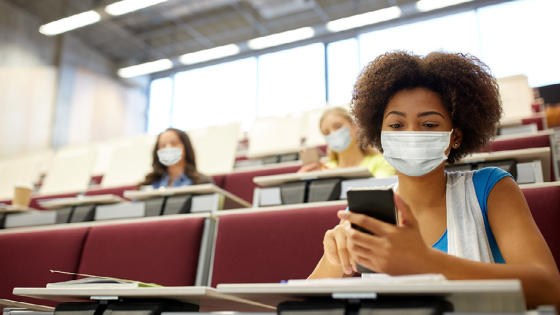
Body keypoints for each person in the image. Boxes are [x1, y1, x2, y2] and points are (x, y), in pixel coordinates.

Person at [308, 51, 560, 308]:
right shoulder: (366, 212)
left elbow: (551, 291)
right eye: (396, 125)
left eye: (429, 125)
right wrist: (334, 259)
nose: (412, 134)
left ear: (455, 137)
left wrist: (425, 261)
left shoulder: (491, 188)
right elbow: (301, 305)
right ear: (380, 134)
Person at [298, 107, 396, 178]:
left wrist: (339, 177)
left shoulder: (383, 162)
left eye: (338, 126)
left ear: (354, 126)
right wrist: (300, 181)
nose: (333, 134)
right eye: (327, 132)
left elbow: (379, 193)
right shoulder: (322, 170)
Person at [140, 128, 211, 188]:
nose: (168, 148)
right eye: (163, 145)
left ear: (185, 147)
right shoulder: (149, 184)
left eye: (174, 143)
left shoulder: (201, 182)